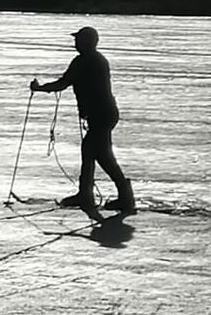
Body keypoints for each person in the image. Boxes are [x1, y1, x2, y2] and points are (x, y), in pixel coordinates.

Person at [30, 26, 136, 215]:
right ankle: (89, 194)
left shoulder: (84, 61)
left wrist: (39, 89)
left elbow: (63, 83)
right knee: (92, 152)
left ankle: (121, 197)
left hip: (101, 115)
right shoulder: (96, 60)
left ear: (88, 42)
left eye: (78, 40)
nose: (75, 43)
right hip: (105, 114)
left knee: (99, 155)